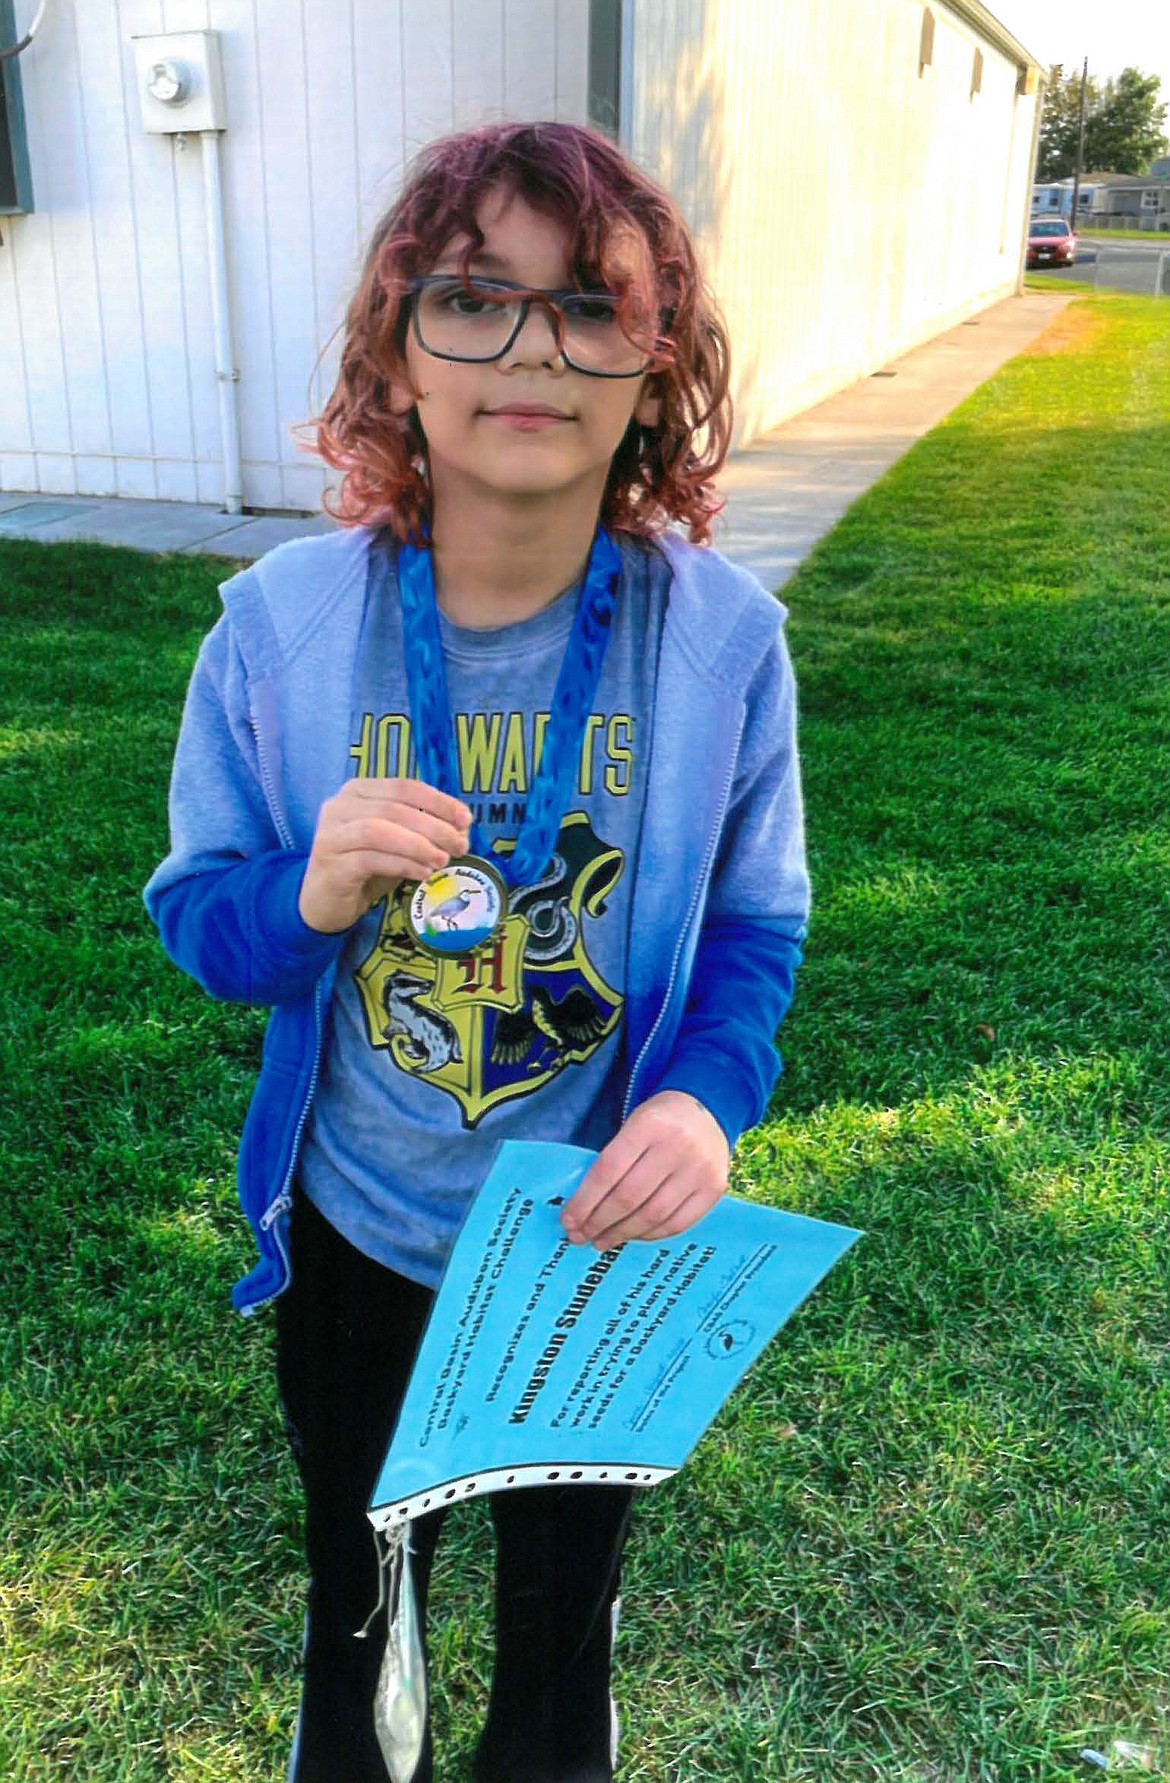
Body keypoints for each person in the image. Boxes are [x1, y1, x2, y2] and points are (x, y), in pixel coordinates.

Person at [143, 119, 809, 1783]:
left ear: (657, 369)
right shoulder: (280, 630)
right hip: (359, 1237)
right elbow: (198, 925)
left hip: (601, 1242)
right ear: (396, 353)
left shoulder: (723, 642)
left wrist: (706, 1101)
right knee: (360, 1625)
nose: (530, 349)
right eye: (471, 298)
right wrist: (305, 891)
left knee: (558, 1652)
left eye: (591, 308)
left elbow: (750, 920)